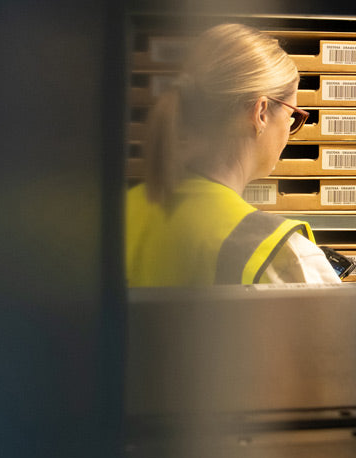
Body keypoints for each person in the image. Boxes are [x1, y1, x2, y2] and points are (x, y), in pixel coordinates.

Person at [126, 23, 342, 286]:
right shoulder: (283, 256)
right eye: (292, 116)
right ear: (261, 112)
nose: (290, 130)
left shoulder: (125, 211)